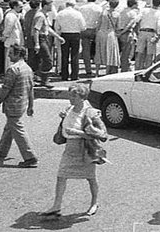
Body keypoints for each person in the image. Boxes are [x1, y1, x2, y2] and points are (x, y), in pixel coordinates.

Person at [43, 83, 106, 218]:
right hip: (70, 148)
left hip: (85, 149)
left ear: (82, 98)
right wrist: (63, 119)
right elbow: (66, 126)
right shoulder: (69, 109)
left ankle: (94, 203)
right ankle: (57, 205)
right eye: (70, 95)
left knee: (90, 178)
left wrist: (79, 132)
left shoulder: (91, 113)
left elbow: (104, 135)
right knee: (61, 176)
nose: (70, 98)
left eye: (74, 96)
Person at [0, 44, 38, 167]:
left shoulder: (13, 69)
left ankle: (30, 157)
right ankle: (2, 149)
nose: (8, 55)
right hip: (22, 104)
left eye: (11, 53)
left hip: (12, 105)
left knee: (17, 129)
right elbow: (31, 89)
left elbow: (6, 88)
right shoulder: (28, 69)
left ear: (18, 54)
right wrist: (31, 105)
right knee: (10, 126)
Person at [54, 0, 85, 81]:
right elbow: (83, 26)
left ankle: (64, 75)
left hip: (64, 34)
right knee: (75, 55)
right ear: (74, 5)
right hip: (75, 34)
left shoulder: (60, 13)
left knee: (64, 55)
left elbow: (57, 27)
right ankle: (74, 75)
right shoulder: (78, 14)